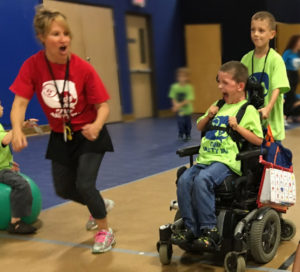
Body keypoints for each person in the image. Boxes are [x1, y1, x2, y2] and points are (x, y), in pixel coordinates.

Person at [9, 6, 115, 253]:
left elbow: (103, 106)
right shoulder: (33, 66)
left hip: (89, 133)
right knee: (64, 189)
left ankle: (104, 231)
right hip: (61, 135)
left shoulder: (83, 68)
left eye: (66, 33)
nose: (63, 38)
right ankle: (98, 204)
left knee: (85, 184)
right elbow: (20, 103)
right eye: (56, 34)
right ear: (43, 38)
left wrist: (97, 126)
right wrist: (16, 129)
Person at [172, 61, 263, 249]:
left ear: (240, 86)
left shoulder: (248, 110)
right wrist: (208, 116)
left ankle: (209, 230)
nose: (220, 86)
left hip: (227, 162)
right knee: (184, 180)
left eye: (225, 83)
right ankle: (190, 228)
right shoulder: (217, 105)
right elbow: (199, 126)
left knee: (202, 180)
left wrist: (237, 127)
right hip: (205, 159)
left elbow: (258, 140)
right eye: (218, 82)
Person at [241, 11, 290, 141]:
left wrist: (268, 108)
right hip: (251, 125)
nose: (256, 34)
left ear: (272, 34)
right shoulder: (245, 59)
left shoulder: (276, 60)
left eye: (261, 30)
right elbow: (240, 88)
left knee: (271, 160)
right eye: (253, 30)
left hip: (271, 128)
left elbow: (277, 88)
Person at [0, 101, 37, 234]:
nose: (2, 106)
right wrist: (19, 125)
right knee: (22, 185)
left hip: (3, 167)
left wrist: (10, 163)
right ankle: (15, 223)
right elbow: (5, 140)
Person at [169, 67, 194, 141]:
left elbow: (188, 100)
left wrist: (177, 105)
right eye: (179, 76)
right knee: (180, 122)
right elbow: (173, 97)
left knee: (188, 124)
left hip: (187, 110)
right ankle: (181, 132)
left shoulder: (189, 88)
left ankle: (188, 134)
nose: (181, 78)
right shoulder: (174, 87)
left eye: (183, 76)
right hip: (180, 111)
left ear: (187, 77)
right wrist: (175, 105)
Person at [282, 35, 300, 122]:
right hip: (289, 74)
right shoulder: (288, 52)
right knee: (288, 95)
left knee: (292, 96)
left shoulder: (298, 54)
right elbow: (282, 63)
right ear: (295, 42)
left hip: (295, 76)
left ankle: (291, 115)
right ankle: (285, 115)